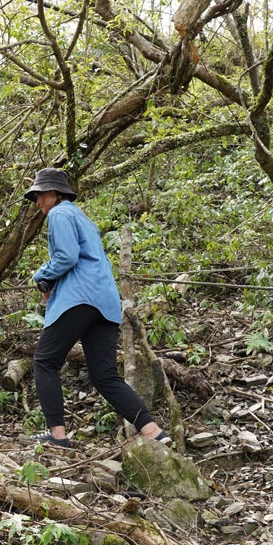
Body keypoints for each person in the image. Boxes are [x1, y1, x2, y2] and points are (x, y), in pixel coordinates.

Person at [23, 168, 169, 448]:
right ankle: (153, 431)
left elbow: (67, 256)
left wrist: (41, 276)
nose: (37, 203)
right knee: (104, 375)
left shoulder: (59, 214)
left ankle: (57, 436)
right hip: (105, 303)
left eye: (39, 196)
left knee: (45, 362)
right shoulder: (83, 218)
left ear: (54, 194)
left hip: (78, 298)